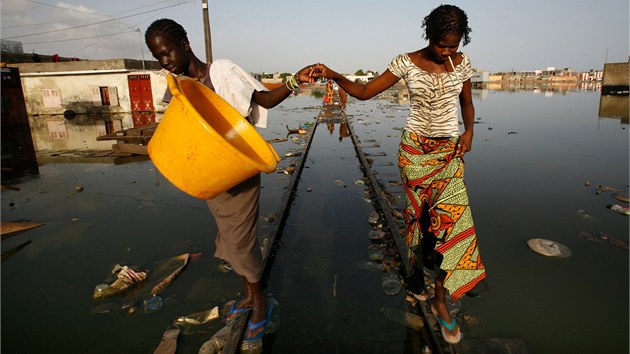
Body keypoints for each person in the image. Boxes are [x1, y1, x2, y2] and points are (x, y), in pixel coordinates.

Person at [310, 4, 486, 344]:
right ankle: (416, 275)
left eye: (454, 45)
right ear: (429, 36)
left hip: (449, 153)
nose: (447, 52)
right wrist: (334, 75)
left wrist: (469, 132)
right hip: (415, 153)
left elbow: (466, 102)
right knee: (419, 222)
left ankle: (440, 299)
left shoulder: (462, 64)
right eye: (441, 45)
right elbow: (364, 92)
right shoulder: (406, 62)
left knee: (453, 224)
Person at [145, 18, 319, 343]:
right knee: (228, 238)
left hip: (236, 169)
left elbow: (264, 100)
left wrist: (294, 82)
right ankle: (250, 296)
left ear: (184, 44)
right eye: (158, 57)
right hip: (210, 174)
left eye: (167, 53)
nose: (164, 62)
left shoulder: (222, 72)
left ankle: (261, 303)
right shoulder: (179, 87)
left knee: (241, 242)